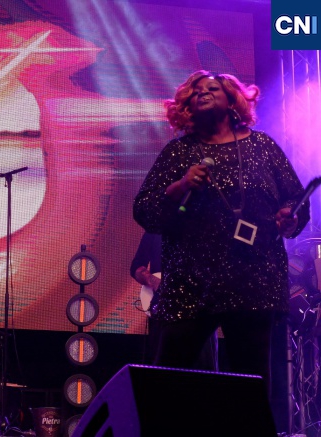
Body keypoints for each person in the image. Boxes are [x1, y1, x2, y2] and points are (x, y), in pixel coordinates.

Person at [133, 70, 310, 394]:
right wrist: (180, 186)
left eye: (212, 88)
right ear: (186, 106)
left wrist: (290, 217)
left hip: (254, 279)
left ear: (232, 100)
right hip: (189, 282)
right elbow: (145, 210)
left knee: (252, 386)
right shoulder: (179, 152)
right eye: (195, 91)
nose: (202, 92)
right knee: (168, 385)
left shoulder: (262, 147)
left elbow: (295, 199)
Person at [130, 231, 218, 370]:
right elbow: (136, 267)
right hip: (164, 309)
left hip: (200, 310)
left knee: (203, 367)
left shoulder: (207, 229)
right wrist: (153, 281)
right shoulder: (155, 231)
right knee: (164, 366)